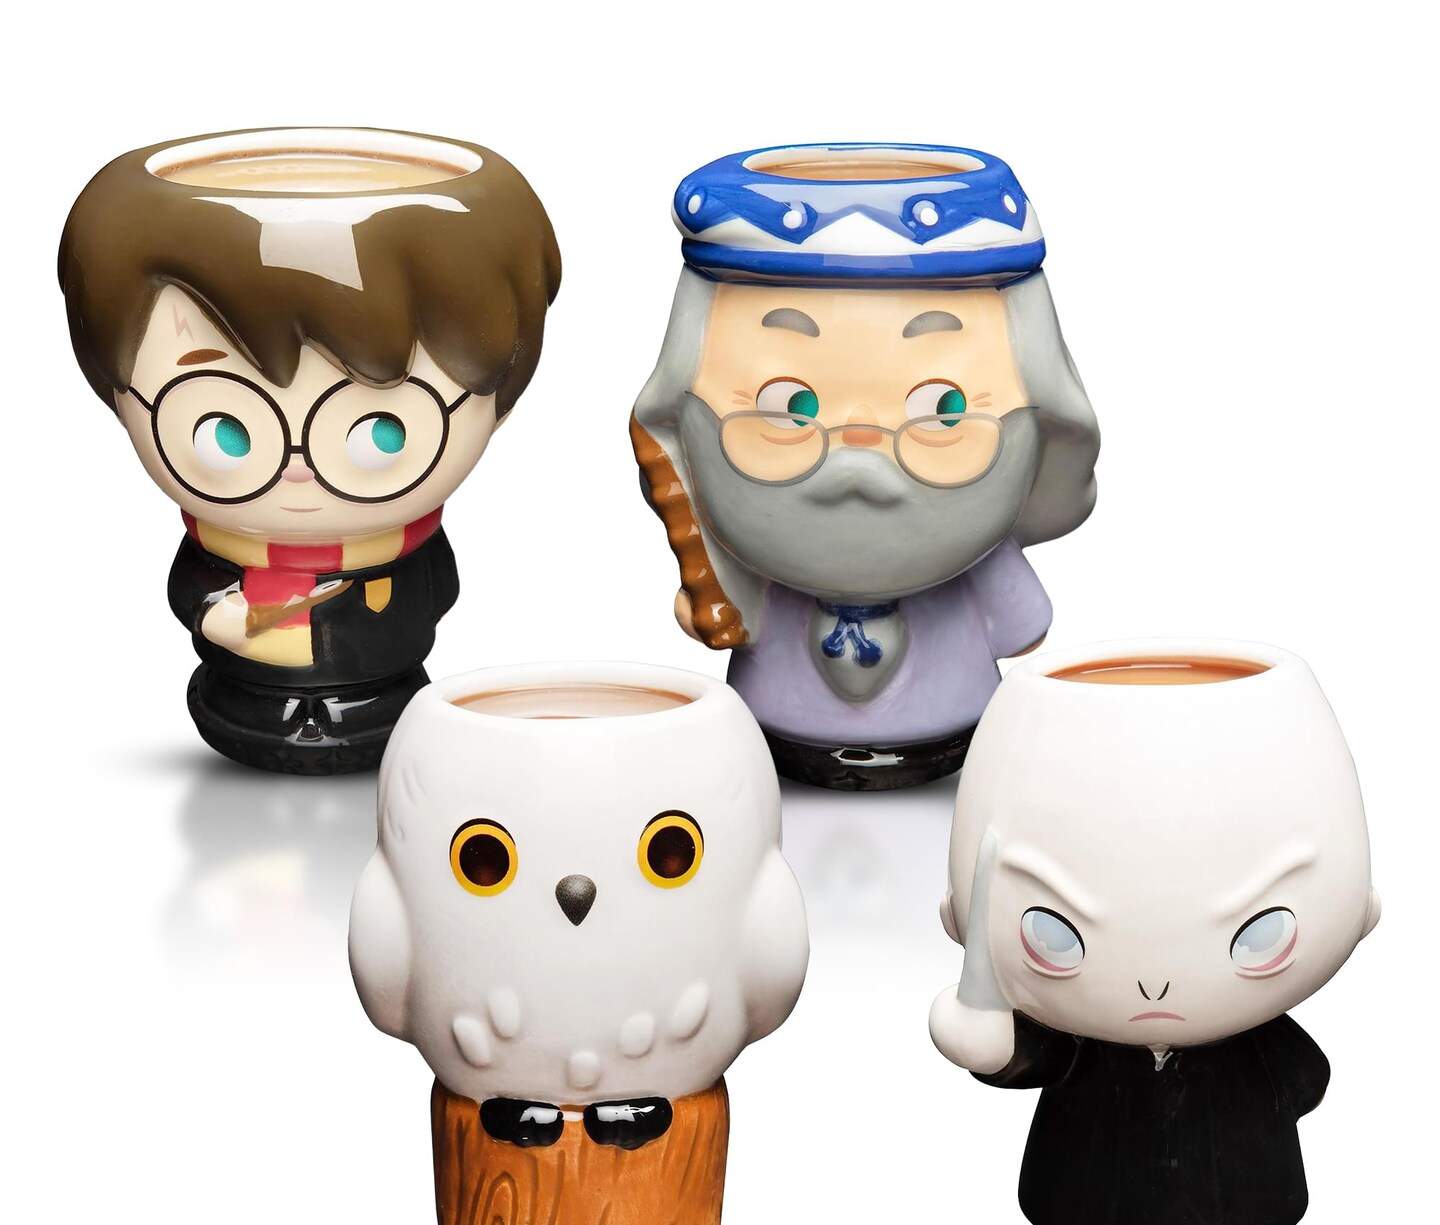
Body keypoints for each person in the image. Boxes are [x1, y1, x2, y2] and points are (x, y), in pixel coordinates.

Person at [59, 128, 560, 772]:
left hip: (388, 700)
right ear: (123, 398)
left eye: (382, 431)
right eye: (225, 429)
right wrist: (222, 615)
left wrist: (367, 618)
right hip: (241, 699)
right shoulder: (220, 552)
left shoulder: (406, 552)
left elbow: (437, 591)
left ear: (497, 403)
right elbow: (195, 590)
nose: (298, 471)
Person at [929, 641, 1381, 1225]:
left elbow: (1306, 1079)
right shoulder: (1079, 1041)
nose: (1155, 991)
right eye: (1054, 934)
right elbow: (1024, 1059)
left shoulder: (1250, 1041)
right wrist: (986, 1036)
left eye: (1261, 933)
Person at [632, 143, 1099, 789]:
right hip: (768, 746)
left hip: (960, 745)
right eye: (788, 405)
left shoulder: (979, 559)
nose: (857, 440)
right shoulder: (746, 575)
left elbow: (1026, 628)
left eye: (943, 407)